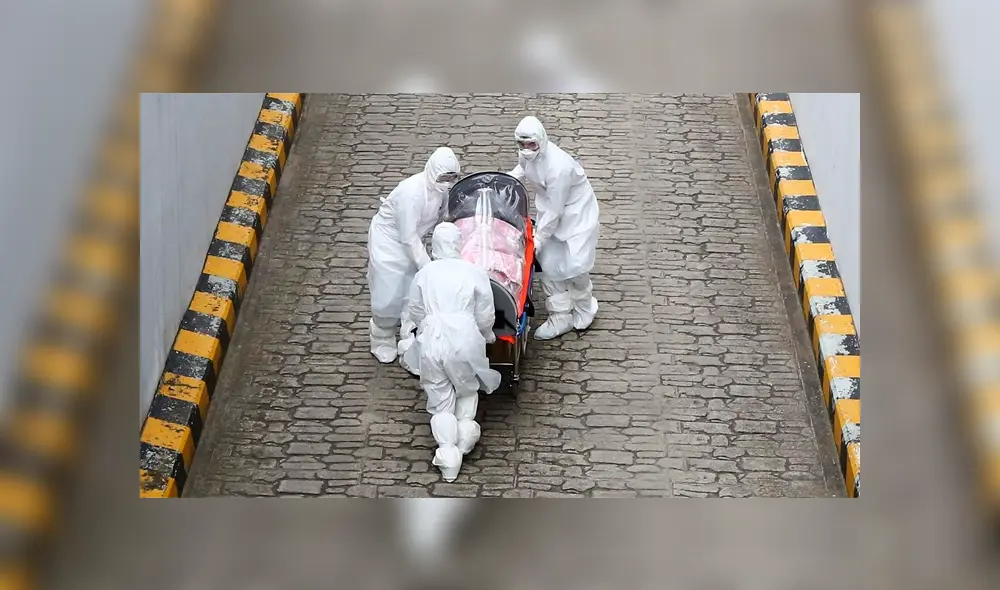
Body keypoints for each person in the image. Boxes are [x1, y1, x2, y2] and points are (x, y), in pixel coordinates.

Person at [404, 222, 502, 482]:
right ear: (459, 244)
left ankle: (448, 456)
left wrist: (428, 325)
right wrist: (486, 334)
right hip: (465, 338)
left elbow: (415, 310)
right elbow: (485, 314)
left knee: (440, 397)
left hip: (432, 340)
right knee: (467, 388)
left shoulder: (425, 274)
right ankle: (465, 436)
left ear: (434, 245)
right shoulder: (474, 273)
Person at [508, 116, 600, 340]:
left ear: (541, 140)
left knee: (576, 266)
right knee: (547, 265)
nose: (526, 149)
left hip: (577, 216)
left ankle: (584, 307)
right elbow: (522, 170)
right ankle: (560, 315)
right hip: (551, 213)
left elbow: (554, 211)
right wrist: (504, 181)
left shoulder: (559, 168)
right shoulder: (526, 155)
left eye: (531, 144)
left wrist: (538, 240)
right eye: (521, 144)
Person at [368, 147, 461, 363]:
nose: (447, 183)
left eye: (452, 178)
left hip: (415, 240)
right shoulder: (411, 193)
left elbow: (442, 217)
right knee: (388, 291)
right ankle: (381, 337)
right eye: (444, 177)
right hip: (389, 242)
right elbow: (408, 237)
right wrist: (429, 267)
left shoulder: (440, 190)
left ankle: (408, 333)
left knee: (413, 289)